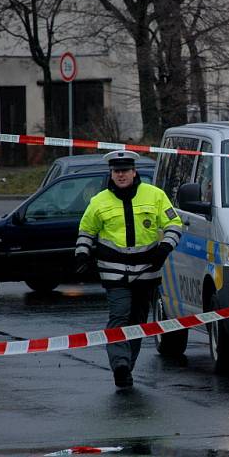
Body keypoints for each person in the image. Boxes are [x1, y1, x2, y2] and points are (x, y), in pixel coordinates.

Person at [75, 150, 182, 388]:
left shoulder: (155, 195)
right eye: (116, 171)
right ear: (111, 174)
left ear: (134, 172)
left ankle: (126, 368)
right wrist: (82, 253)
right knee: (119, 315)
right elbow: (86, 230)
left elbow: (174, 224)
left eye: (125, 171)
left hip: (147, 271)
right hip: (114, 272)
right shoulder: (99, 201)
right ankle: (120, 365)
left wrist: (164, 249)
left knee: (137, 322)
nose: (121, 175)